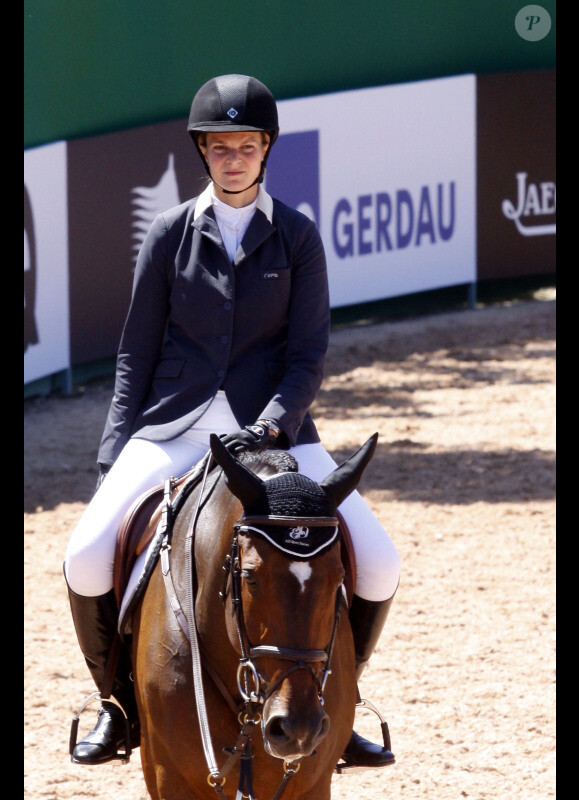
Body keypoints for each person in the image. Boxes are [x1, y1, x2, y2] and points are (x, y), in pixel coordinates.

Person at [64, 73, 401, 769]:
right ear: (204, 153)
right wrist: (112, 459)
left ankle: (344, 705)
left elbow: (308, 354)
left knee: (382, 562)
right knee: (86, 553)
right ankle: (118, 703)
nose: (234, 157)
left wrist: (276, 426)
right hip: (175, 429)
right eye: (220, 146)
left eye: (246, 144)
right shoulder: (168, 235)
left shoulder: (298, 238)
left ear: (266, 148)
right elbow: (136, 353)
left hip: (277, 436)